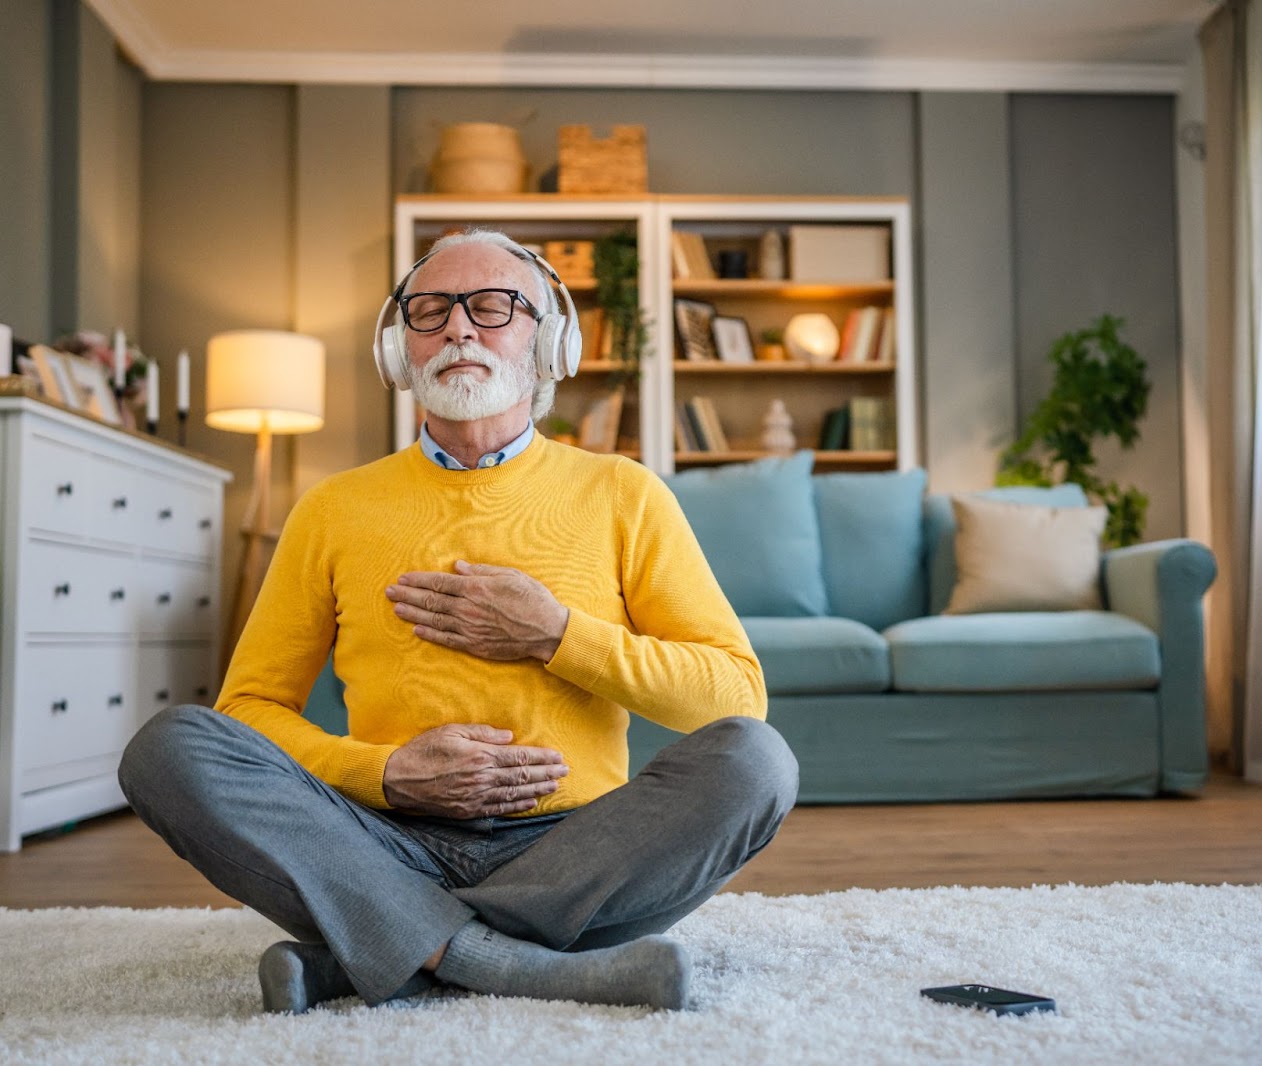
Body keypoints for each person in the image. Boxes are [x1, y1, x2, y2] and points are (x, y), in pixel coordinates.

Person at [118, 228, 798, 1015]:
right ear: (399, 348)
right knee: (168, 747)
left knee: (756, 762)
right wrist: (386, 774)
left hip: (577, 848)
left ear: (552, 343)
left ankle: (386, 945)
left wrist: (553, 635)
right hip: (383, 840)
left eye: (492, 306)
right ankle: (512, 961)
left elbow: (734, 696)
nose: (459, 328)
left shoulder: (625, 493)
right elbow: (248, 711)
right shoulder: (332, 509)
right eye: (431, 309)